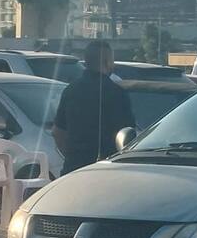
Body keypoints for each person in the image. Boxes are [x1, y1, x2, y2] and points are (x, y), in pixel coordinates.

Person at [53, 41, 135, 175]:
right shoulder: (117, 94)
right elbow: (128, 135)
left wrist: (72, 156)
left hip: (73, 170)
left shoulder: (70, 91)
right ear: (107, 61)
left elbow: (57, 132)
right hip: (107, 171)